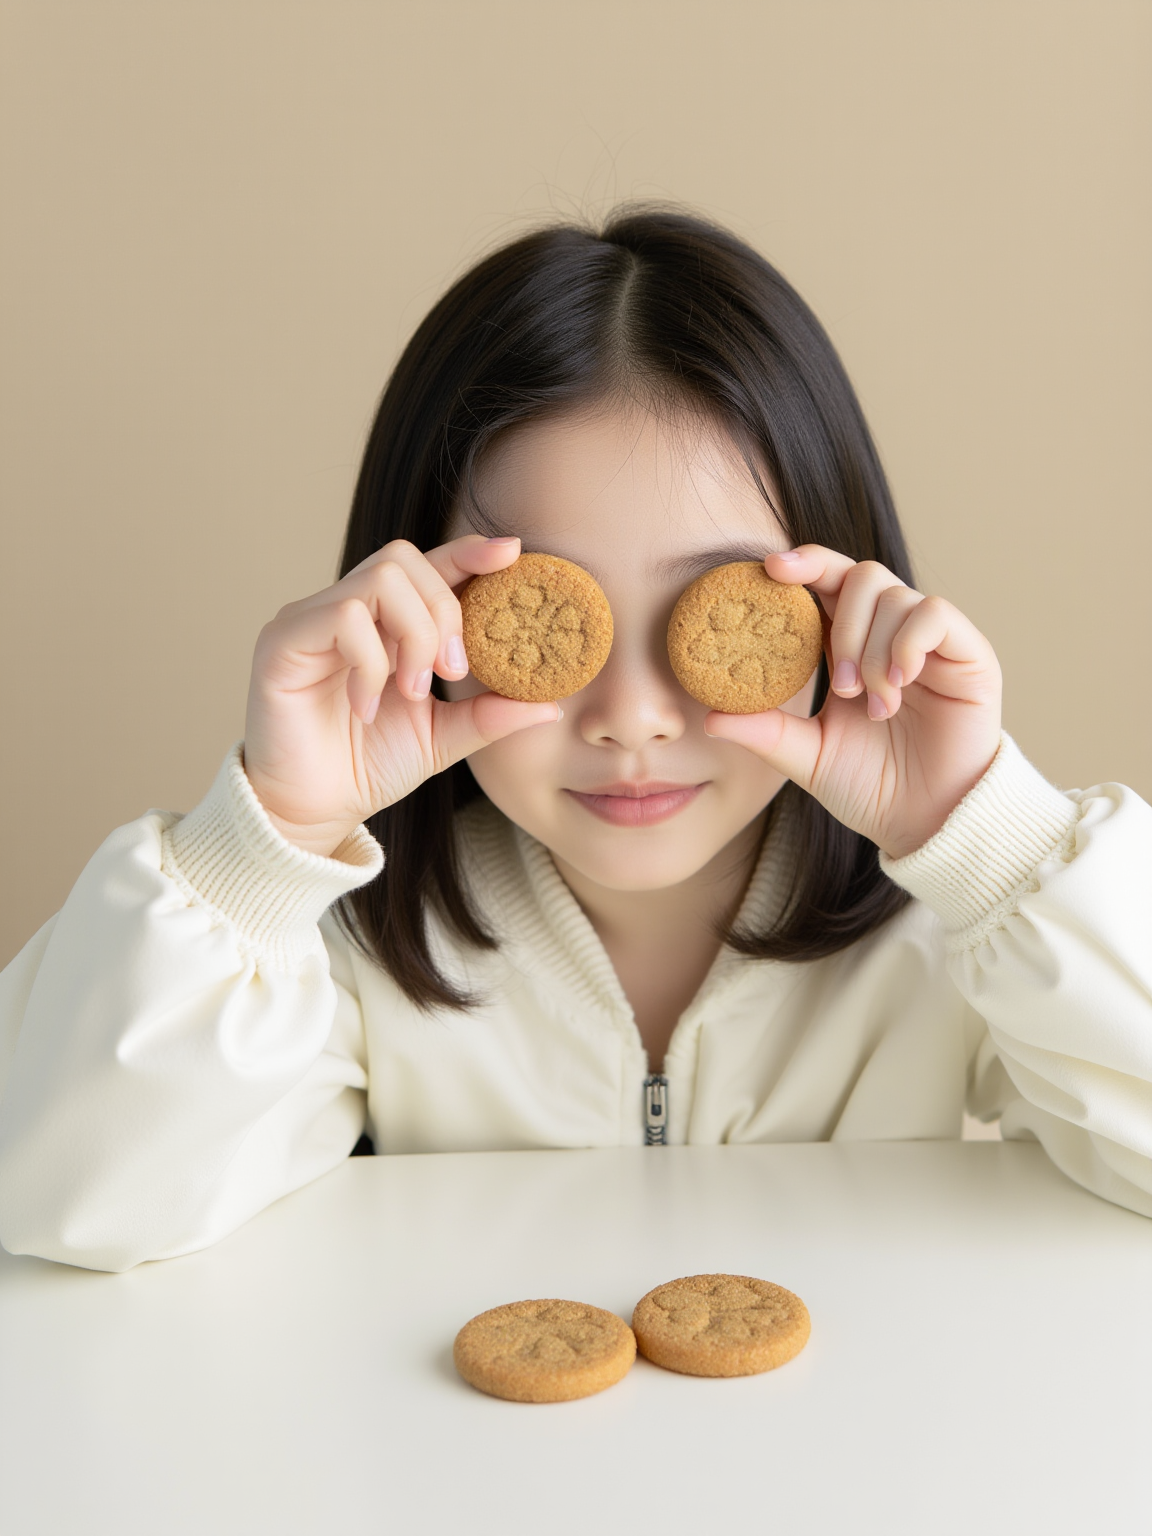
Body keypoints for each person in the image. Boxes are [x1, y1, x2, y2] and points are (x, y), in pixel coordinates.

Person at [1, 208, 1149, 1274]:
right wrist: (268, 843)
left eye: (718, 604)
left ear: (840, 599)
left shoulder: (960, 943)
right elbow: (65, 1196)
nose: (633, 714)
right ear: (411, 598)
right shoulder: (327, 961)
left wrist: (990, 843)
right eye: (555, 615)